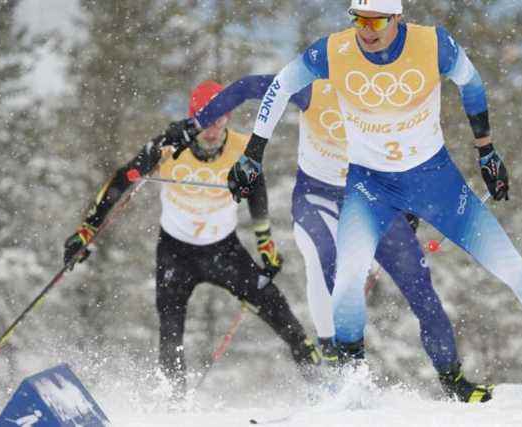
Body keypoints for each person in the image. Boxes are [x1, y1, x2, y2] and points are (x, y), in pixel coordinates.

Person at [217, 0, 522, 402]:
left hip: (436, 182)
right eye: (358, 19)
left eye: (375, 21)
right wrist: (253, 152)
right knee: (347, 277)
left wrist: (486, 150)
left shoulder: (432, 44)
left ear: (397, 19)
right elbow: (279, 86)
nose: (365, 30)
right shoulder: (334, 51)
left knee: (512, 267)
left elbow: (472, 83)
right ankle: (351, 376)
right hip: (370, 187)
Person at [193, 75, 480, 399]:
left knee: (421, 290)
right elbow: (247, 88)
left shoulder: (388, 97)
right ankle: (343, 366)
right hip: (318, 196)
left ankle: (454, 382)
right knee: (327, 263)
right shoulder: (313, 86)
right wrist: (200, 120)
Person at [63, 80, 320, 400]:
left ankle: (321, 382)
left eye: (219, 118)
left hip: (224, 250)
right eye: (204, 120)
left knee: (276, 308)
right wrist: (86, 231)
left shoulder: (242, 147)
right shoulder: (169, 147)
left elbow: (256, 190)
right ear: (192, 118)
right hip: (176, 252)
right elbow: (120, 181)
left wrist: (264, 241)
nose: (212, 129)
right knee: (171, 332)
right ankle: (174, 403)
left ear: (228, 117)